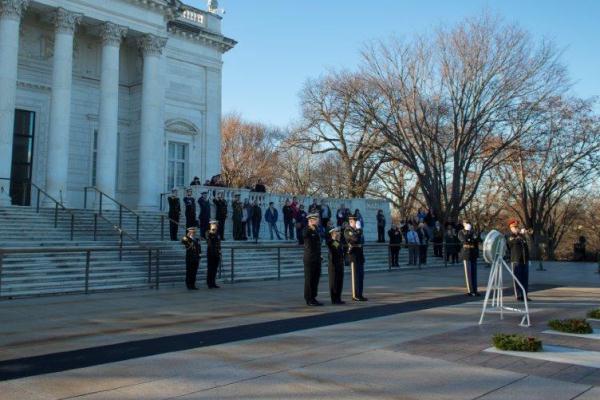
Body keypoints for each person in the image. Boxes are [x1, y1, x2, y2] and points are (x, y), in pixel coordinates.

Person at [345, 215, 367, 301]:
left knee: (361, 276)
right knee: (356, 276)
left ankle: (360, 294)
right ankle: (355, 295)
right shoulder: (348, 230)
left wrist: (358, 230)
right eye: (355, 221)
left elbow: (362, 240)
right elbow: (354, 239)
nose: (357, 223)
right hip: (353, 256)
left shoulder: (357, 230)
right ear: (351, 222)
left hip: (360, 255)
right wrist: (358, 230)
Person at [507, 219, 530, 301]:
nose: (517, 228)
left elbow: (526, 248)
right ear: (511, 228)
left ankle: (525, 295)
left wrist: (528, 258)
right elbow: (511, 244)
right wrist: (519, 235)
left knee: (525, 279)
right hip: (516, 260)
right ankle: (519, 295)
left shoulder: (522, 236)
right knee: (517, 279)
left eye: (517, 227)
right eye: (515, 227)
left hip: (524, 260)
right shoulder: (510, 236)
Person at [303, 213, 323, 306]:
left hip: (317, 258)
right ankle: (308, 298)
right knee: (309, 279)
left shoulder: (317, 230)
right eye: (316, 220)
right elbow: (303, 235)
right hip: (310, 259)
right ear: (311, 220)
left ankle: (313, 297)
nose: (318, 221)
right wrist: (309, 226)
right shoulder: (307, 229)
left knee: (316, 278)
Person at [458, 220, 481, 297]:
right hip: (466, 254)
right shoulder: (461, 232)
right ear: (463, 224)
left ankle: (475, 290)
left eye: (468, 223)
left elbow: (478, 240)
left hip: (473, 253)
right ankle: (470, 291)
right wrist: (469, 235)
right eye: (465, 223)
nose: (467, 224)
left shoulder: (473, 231)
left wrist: (473, 237)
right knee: (468, 273)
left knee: (474, 273)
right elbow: (464, 240)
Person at [326, 227, 345, 304]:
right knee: (334, 282)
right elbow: (329, 242)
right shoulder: (331, 242)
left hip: (340, 265)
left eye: (339, 232)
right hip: (333, 265)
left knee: (339, 282)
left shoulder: (338, 242)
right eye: (337, 232)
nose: (339, 233)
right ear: (333, 233)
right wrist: (333, 237)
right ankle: (334, 299)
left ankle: (338, 298)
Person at [181, 226, 201, 290]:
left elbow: (199, 249)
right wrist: (187, 236)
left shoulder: (196, 239)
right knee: (189, 272)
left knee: (194, 272)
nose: (193, 233)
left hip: (196, 258)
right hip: (190, 258)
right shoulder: (186, 239)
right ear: (189, 232)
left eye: (194, 232)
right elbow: (183, 241)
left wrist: (199, 256)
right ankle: (188, 284)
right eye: (191, 231)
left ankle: (193, 284)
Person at [205, 220, 221, 289]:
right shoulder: (208, 233)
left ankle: (213, 282)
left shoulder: (217, 234)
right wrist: (212, 230)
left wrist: (219, 251)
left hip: (216, 253)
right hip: (211, 253)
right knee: (210, 268)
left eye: (216, 225)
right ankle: (209, 283)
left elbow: (218, 244)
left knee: (215, 269)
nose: (216, 226)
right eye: (215, 224)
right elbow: (208, 240)